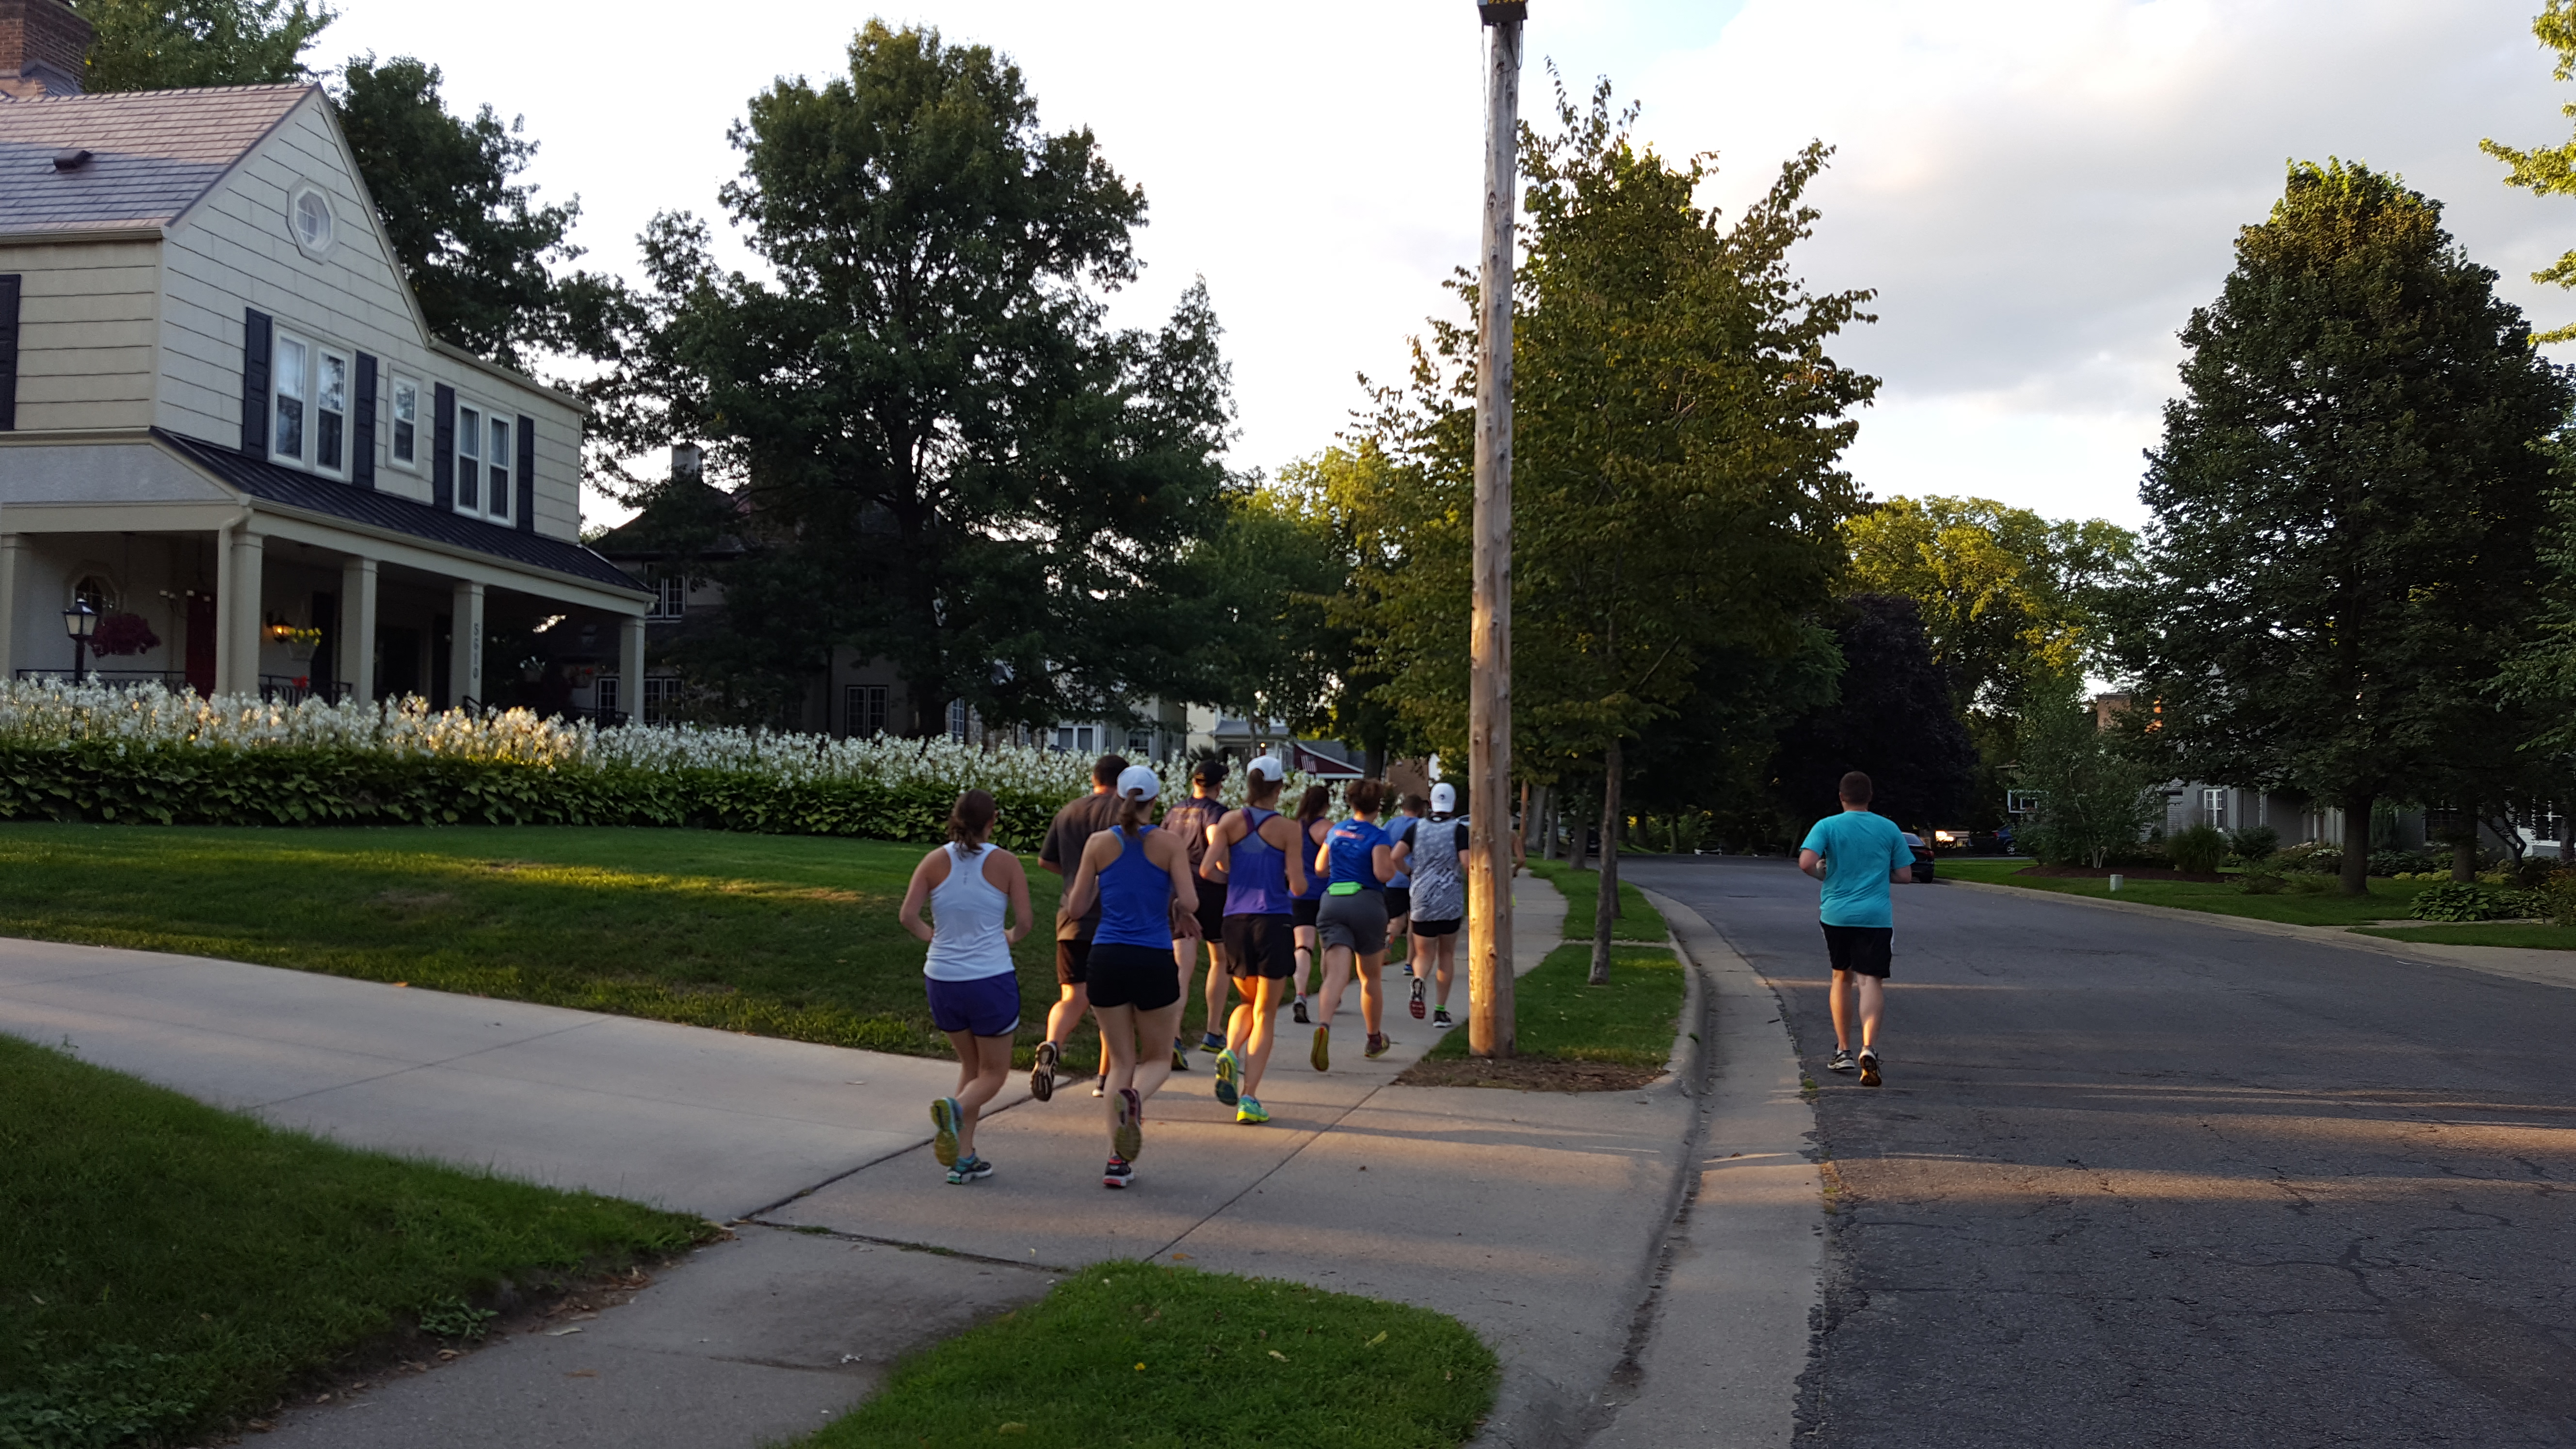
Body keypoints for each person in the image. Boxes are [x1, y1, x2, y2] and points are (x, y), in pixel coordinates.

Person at [1057, 764, 1201, 1188]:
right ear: (1156, 800)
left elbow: (1077, 908)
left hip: (1106, 956)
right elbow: (1191, 901)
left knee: (1120, 1061)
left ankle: (1117, 1163)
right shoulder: (1170, 843)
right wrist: (1175, 906)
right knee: (1157, 1058)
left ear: (1119, 797)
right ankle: (1135, 1098)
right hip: (1153, 956)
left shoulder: (1099, 843)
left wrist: (1103, 885)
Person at [896, 789, 1033, 1185]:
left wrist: (933, 938)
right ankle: (953, 1109)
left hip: (942, 979)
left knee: (973, 1068)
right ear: (993, 820)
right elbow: (1025, 922)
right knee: (995, 1073)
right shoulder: (1006, 863)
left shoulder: (933, 861)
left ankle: (963, 1158)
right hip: (990, 979)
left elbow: (908, 915)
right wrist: (1009, 937)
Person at [1198, 755, 1309, 1124]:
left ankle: (1230, 1050)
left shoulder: (1229, 822)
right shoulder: (1288, 829)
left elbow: (1206, 868)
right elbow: (1298, 885)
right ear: (1279, 788)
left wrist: (1234, 879)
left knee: (1247, 1000)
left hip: (1235, 921)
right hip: (1273, 920)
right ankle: (1249, 1098)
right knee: (1266, 1012)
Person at [1797, 770, 1916, 1088]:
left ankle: (1843, 1051)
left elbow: (1806, 862)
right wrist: (1877, 874)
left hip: (1837, 914)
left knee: (1841, 977)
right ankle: (1869, 1048)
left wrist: (1824, 873)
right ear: (1870, 797)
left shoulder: (1827, 826)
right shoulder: (1889, 828)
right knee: (1870, 981)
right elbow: (1905, 875)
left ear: (1841, 797)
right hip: (1875, 917)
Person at [1033, 754, 1129, 1102]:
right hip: (1112, 920)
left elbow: (1046, 860)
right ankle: (1105, 1079)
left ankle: (1052, 1043)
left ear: (1094, 778)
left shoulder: (1069, 811)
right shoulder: (1125, 813)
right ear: (1123, 781)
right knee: (1114, 1003)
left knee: (1072, 997)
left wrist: (1078, 877)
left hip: (1071, 918)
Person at [1309, 777, 1408, 1071]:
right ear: (1378, 806)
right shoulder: (1378, 836)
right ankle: (1374, 1039)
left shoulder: (1335, 831)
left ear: (1351, 803)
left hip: (1333, 902)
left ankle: (1324, 1025)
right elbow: (1382, 873)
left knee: (1335, 975)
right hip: (1366, 904)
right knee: (1369, 977)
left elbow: (1320, 868)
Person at [1161, 757, 1236, 1065]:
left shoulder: (1173, 811)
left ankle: (1173, 1038)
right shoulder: (1216, 813)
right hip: (1210, 892)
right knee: (1220, 959)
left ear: (1194, 781)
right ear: (1219, 785)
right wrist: (1227, 870)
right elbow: (1217, 849)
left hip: (1176, 893)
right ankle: (1213, 1031)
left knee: (1182, 967)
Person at [1403, 783, 1470, 1028]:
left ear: (1430, 804)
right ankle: (1440, 1011)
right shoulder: (1458, 829)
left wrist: (1410, 873)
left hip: (1421, 899)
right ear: (1454, 804)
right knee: (1446, 954)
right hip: (1449, 901)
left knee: (1424, 953)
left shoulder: (1416, 827)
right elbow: (1466, 862)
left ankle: (1419, 978)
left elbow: (1395, 855)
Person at [1286, 784, 1333, 1025]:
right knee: (1328, 946)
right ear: (1327, 804)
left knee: (1303, 947)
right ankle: (1330, 993)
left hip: (1299, 894)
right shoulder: (1328, 829)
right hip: (1325, 893)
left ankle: (1300, 994)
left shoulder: (1293, 828)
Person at [1383, 793, 1423, 978]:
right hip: (1415, 877)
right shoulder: (1421, 826)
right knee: (1414, 921)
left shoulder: (1391, 824)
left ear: (1403, 807)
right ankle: (1409, 963)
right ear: (1420, 809)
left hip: (1393, 878)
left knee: (1396, 920)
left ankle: (1387, 944)